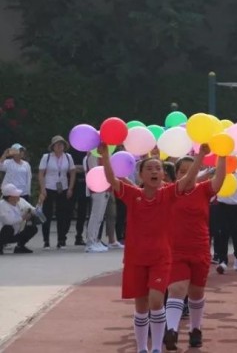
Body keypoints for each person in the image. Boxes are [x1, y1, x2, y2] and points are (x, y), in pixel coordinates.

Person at [98, 142, 205, 353]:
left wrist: (200, 156)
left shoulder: (168, 194)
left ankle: (156, 347)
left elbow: (188, 179)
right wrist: (105, 156)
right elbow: (111, 179)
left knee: (156, 302)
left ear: (163, 175)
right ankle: (142, 348)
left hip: (160, 258)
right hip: (135, 258)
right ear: (140, 175)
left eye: (158, 168)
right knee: (141, 306)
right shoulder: (132, 195)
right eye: (149, 168)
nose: (154, 172)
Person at [164, 151, 225, 351]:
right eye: (182, 171)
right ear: (175, 174)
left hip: (200, 249)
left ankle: (195, 329)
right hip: (175, 250)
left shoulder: (204, 189)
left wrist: (223, 155)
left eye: (190, 170)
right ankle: (171, 330)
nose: (187, 174)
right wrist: (200, 158)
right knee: (177, 288)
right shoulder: (170, 191)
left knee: (196, 292)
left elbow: (220, 179)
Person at [37, 135, 76, 249]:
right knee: (47, 214)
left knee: (62, 214)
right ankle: (46, 241)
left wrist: (70, 188)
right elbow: (41, 173)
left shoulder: (68, 157)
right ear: (53, 146)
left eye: (61, 144)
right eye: (57, 144)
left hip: (63, 187)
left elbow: (72, 172)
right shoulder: (47, 157)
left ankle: (61, 240)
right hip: (49, 187)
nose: (59, 146)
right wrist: (42, 188)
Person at [0, 183, 38, 254]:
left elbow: (33, 209)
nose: (18, 196)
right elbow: (8, 221)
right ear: (10, 197)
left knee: (33, 228)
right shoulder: (2, 205)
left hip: (17, 230)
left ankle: (20, 246)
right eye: (16, 194)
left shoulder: (21, 201)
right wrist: (23, 218)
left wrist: (35, 210)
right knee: (8, 228)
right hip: (3, 233)